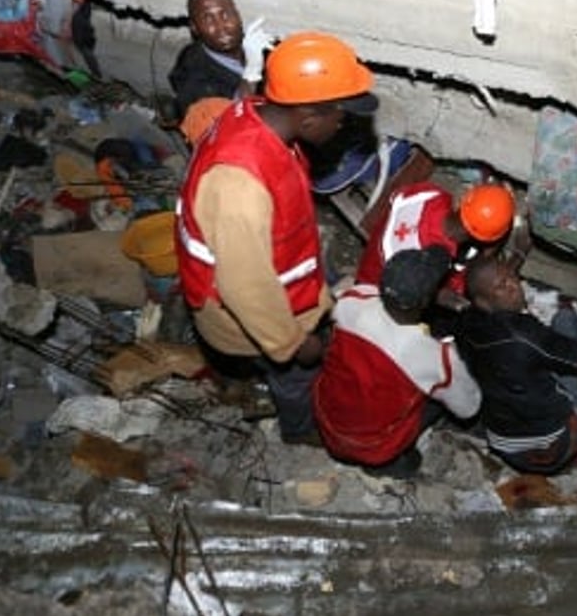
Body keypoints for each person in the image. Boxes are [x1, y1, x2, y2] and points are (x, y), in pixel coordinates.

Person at [175, 30, 378, 442]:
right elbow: (245, 288)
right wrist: (293, 344)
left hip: (276, 297)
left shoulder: (255, 115)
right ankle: (301, 433)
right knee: (296, 383)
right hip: (251, 323)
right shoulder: (239, 185)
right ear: (308, 117)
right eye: (340, 115)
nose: (343, 124)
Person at [312, 245, 481, 478]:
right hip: (372, 446)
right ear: (425, 302)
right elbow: (469, 408)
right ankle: (383, 463)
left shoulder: (353, 300)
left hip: (327, 419)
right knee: (444, 394)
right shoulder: (434, 357)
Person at [456, 254, 577, 475]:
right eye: (502, 286)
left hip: (505, 445)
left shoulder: (465, 322)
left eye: (512, 277)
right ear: (483, 301)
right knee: (566, 321)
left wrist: (517, 255)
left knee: (531, 365)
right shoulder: (521, 335)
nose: (514, 287)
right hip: (555, 448)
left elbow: (494, 282)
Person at [354, 181, 517, 308]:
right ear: (486, 240)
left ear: (463, 199)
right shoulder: (435, 263)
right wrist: (491, 252)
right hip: (378, 295)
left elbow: (397, 196)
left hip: (371, 261)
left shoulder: (431, 194)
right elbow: (455, 289)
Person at [168, 0, 271, 123]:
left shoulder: (257, 46)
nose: (221, 27)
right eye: (208, 19)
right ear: (194, 28)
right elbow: (228, 128)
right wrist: (251, 73)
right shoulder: (192, 81)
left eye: (225, 14)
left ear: (238, 15)